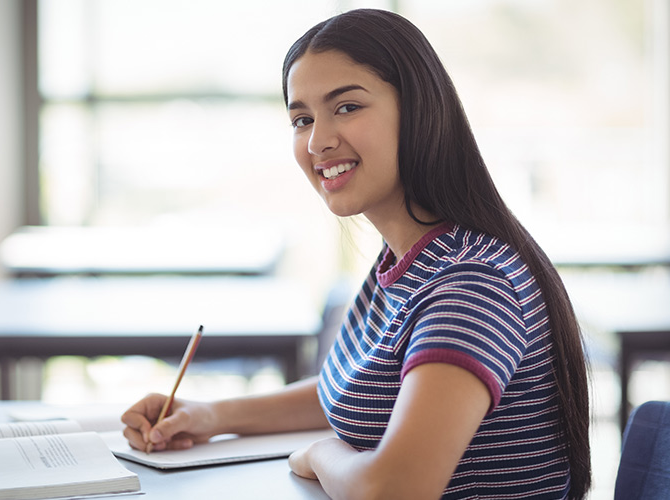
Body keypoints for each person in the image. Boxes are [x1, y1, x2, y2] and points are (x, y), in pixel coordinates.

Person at [122, 8, 591, 499]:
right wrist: (210, 415)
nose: (318, 141)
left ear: (418, 109)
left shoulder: (470, 285)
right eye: (302, 119)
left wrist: (320, 455)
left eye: (346, 107)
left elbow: (395, 490)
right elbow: (358, 392)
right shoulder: (407, 259)